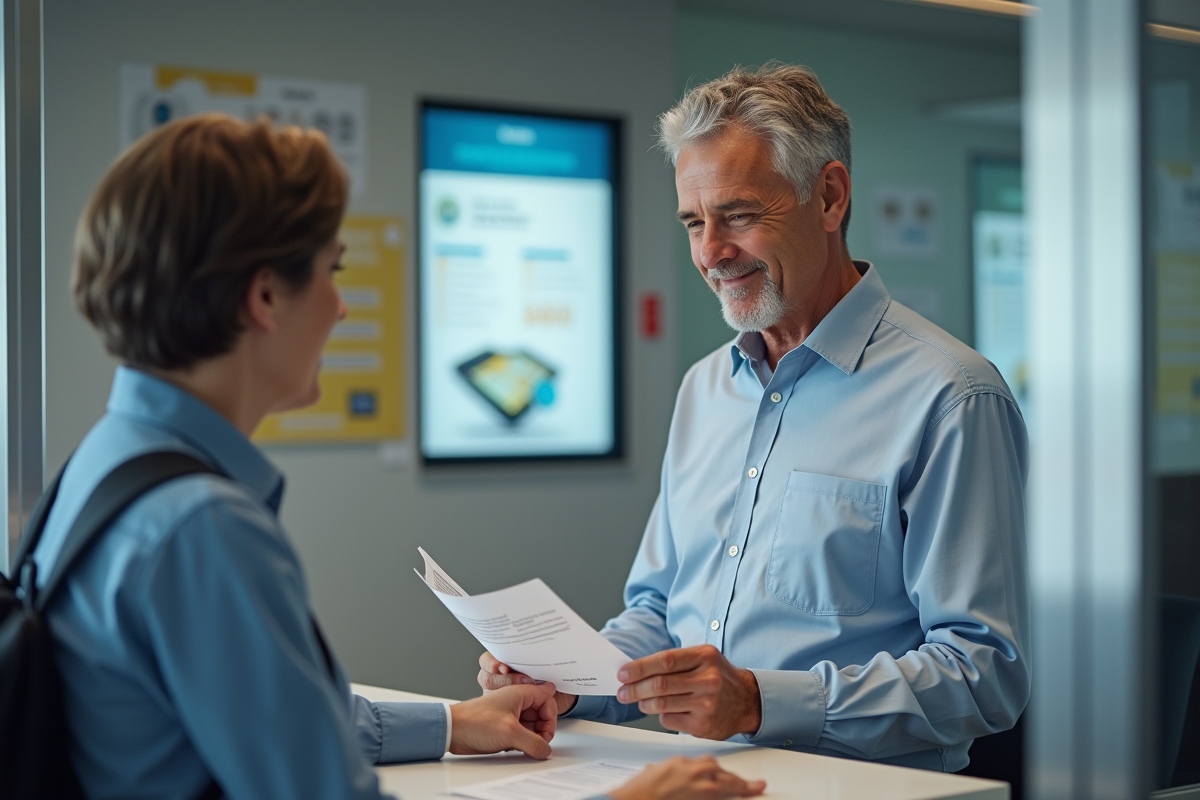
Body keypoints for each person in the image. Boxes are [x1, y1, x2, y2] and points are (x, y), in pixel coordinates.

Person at [34, 114, 764, 800]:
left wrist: (452, 723)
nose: (341, 306)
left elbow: (262, 715)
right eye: (331, 270)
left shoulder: (106, 467)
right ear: (264, 297)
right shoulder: (201, 528)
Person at [480, 63, 1030, 773]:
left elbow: (983, 673)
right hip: (691, 783)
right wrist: (566, 683)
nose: (710, 252)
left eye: (738, 215)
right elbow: (657, 614)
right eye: (693, 222)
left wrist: (762, 702)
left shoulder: (951, 396)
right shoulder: (705, 389)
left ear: (829, 197)